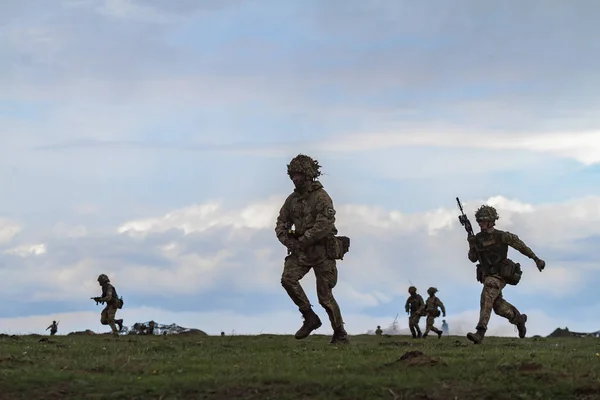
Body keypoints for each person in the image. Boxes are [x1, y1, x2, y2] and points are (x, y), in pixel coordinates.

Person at [275, 154, 350, 344]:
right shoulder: (291, 200)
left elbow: (324, 224)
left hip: (322, 252)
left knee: (325, 297)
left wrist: (303, 240)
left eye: (299, 174)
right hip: (301, 252)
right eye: (292, 175)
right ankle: (309, 317)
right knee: (288, 279)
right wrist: (287, 240)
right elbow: (281, 222)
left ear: (308, 175)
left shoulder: (321, 198)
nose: (295, 178)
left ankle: (340, 333)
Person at [466, 205, 546, 344]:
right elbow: (473, 258)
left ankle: (480, 331)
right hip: (486, 276)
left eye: (483, 221)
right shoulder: (477, 238)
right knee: (498, 307)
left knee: (486, 295)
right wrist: (471, 244)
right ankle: (518, 319)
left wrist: (536, 259)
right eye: (479, 221)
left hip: (499, 276)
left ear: (491, 221)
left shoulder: (502, 236)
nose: (481, 224)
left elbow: (520, 246)